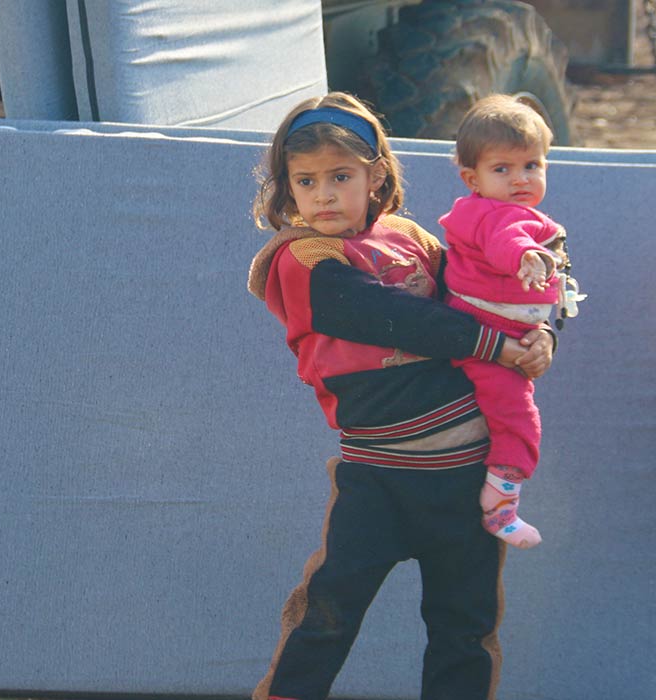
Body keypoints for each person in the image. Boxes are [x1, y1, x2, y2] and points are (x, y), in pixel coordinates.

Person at [245, 92, 556, 700]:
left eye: (341, 176)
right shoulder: (302, 256)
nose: (324, 194)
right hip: (378, 477)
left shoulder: (413, 238)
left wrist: (542, 332)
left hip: (466, 474)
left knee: (464, 627)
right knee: (328, 613)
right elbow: (384, 315)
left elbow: (489, 288)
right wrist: (494, 342)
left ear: (376, 175)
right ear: (287, 187)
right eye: (305, 181)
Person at [440, 94, 583, 549]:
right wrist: (526, 256)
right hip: (484, 339)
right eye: (502, 169)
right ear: (472, 178)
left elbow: (552, 290)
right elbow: (507, 242)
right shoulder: (491, 215)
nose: (520, 179)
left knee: (515, 418)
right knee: (519, 423)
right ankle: (500, 507)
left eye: (531, 166)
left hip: (514, 332)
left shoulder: (529, 217)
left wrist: (544, 334)